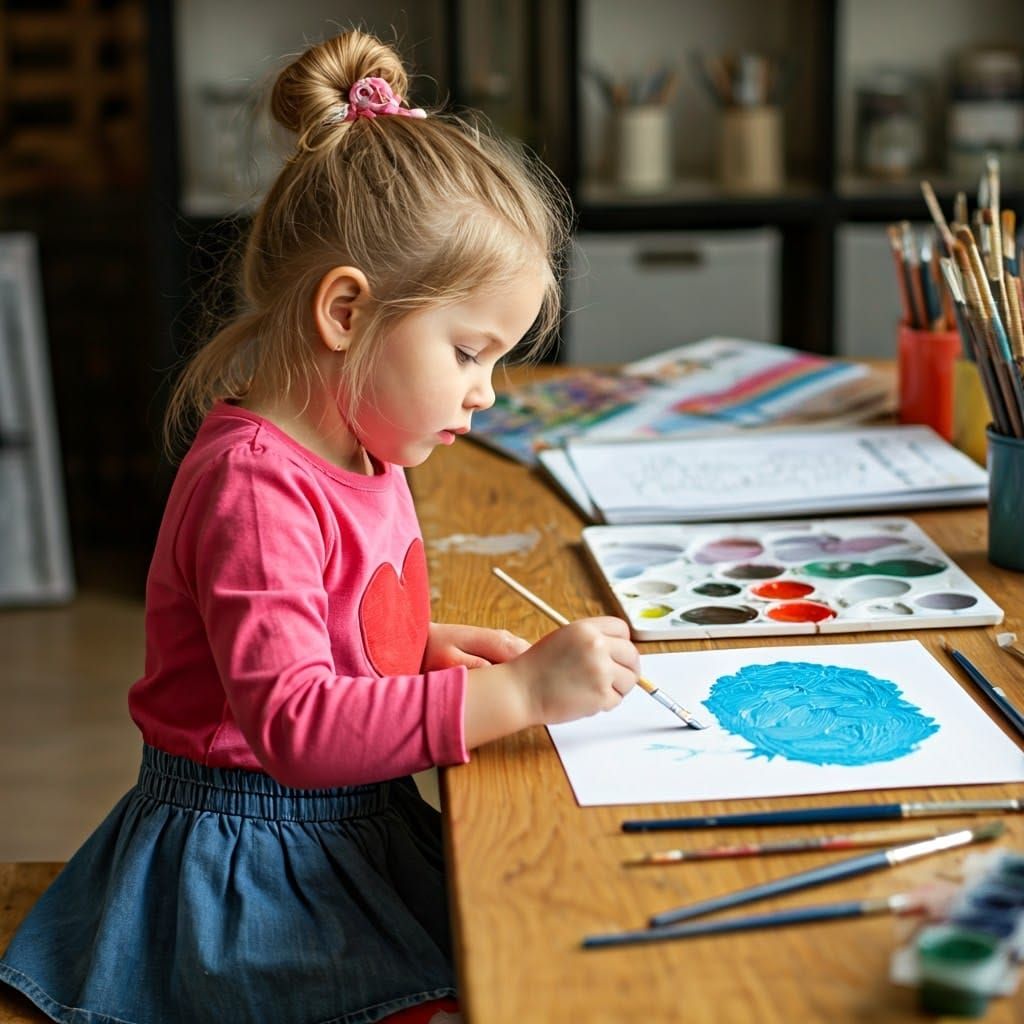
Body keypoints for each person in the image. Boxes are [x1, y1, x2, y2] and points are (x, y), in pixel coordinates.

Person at [0, 29, 640, 1024]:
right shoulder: (253, 489)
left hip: (347, 826)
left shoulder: (365, 444)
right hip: (250, 867)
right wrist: (517, 692)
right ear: (346, 311)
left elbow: (317, 632)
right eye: (469, 352)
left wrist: (416, 652)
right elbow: (294, 724)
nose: (487, 394)